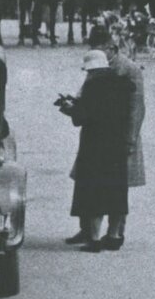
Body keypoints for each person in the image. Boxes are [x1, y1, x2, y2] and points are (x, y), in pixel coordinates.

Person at [58, 49, 135, 252]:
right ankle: (114, 236)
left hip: (95, 145)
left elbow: (82, 117)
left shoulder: (92, 86)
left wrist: (69, 108)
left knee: (92, 191)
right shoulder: (124, 84)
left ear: (91, 70)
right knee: (117, 190)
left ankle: (93, 239)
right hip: (117, 144)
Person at [88, 23, 147, 205]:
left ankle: (116, 233)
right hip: (98, 135)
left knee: (119, 186)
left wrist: (130, 140)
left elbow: (137, 107)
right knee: (91, 182)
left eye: (100, 50)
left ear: (111, 48)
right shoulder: (96, 63)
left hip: (122, 135)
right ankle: (88, 229)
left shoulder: (130, 69)